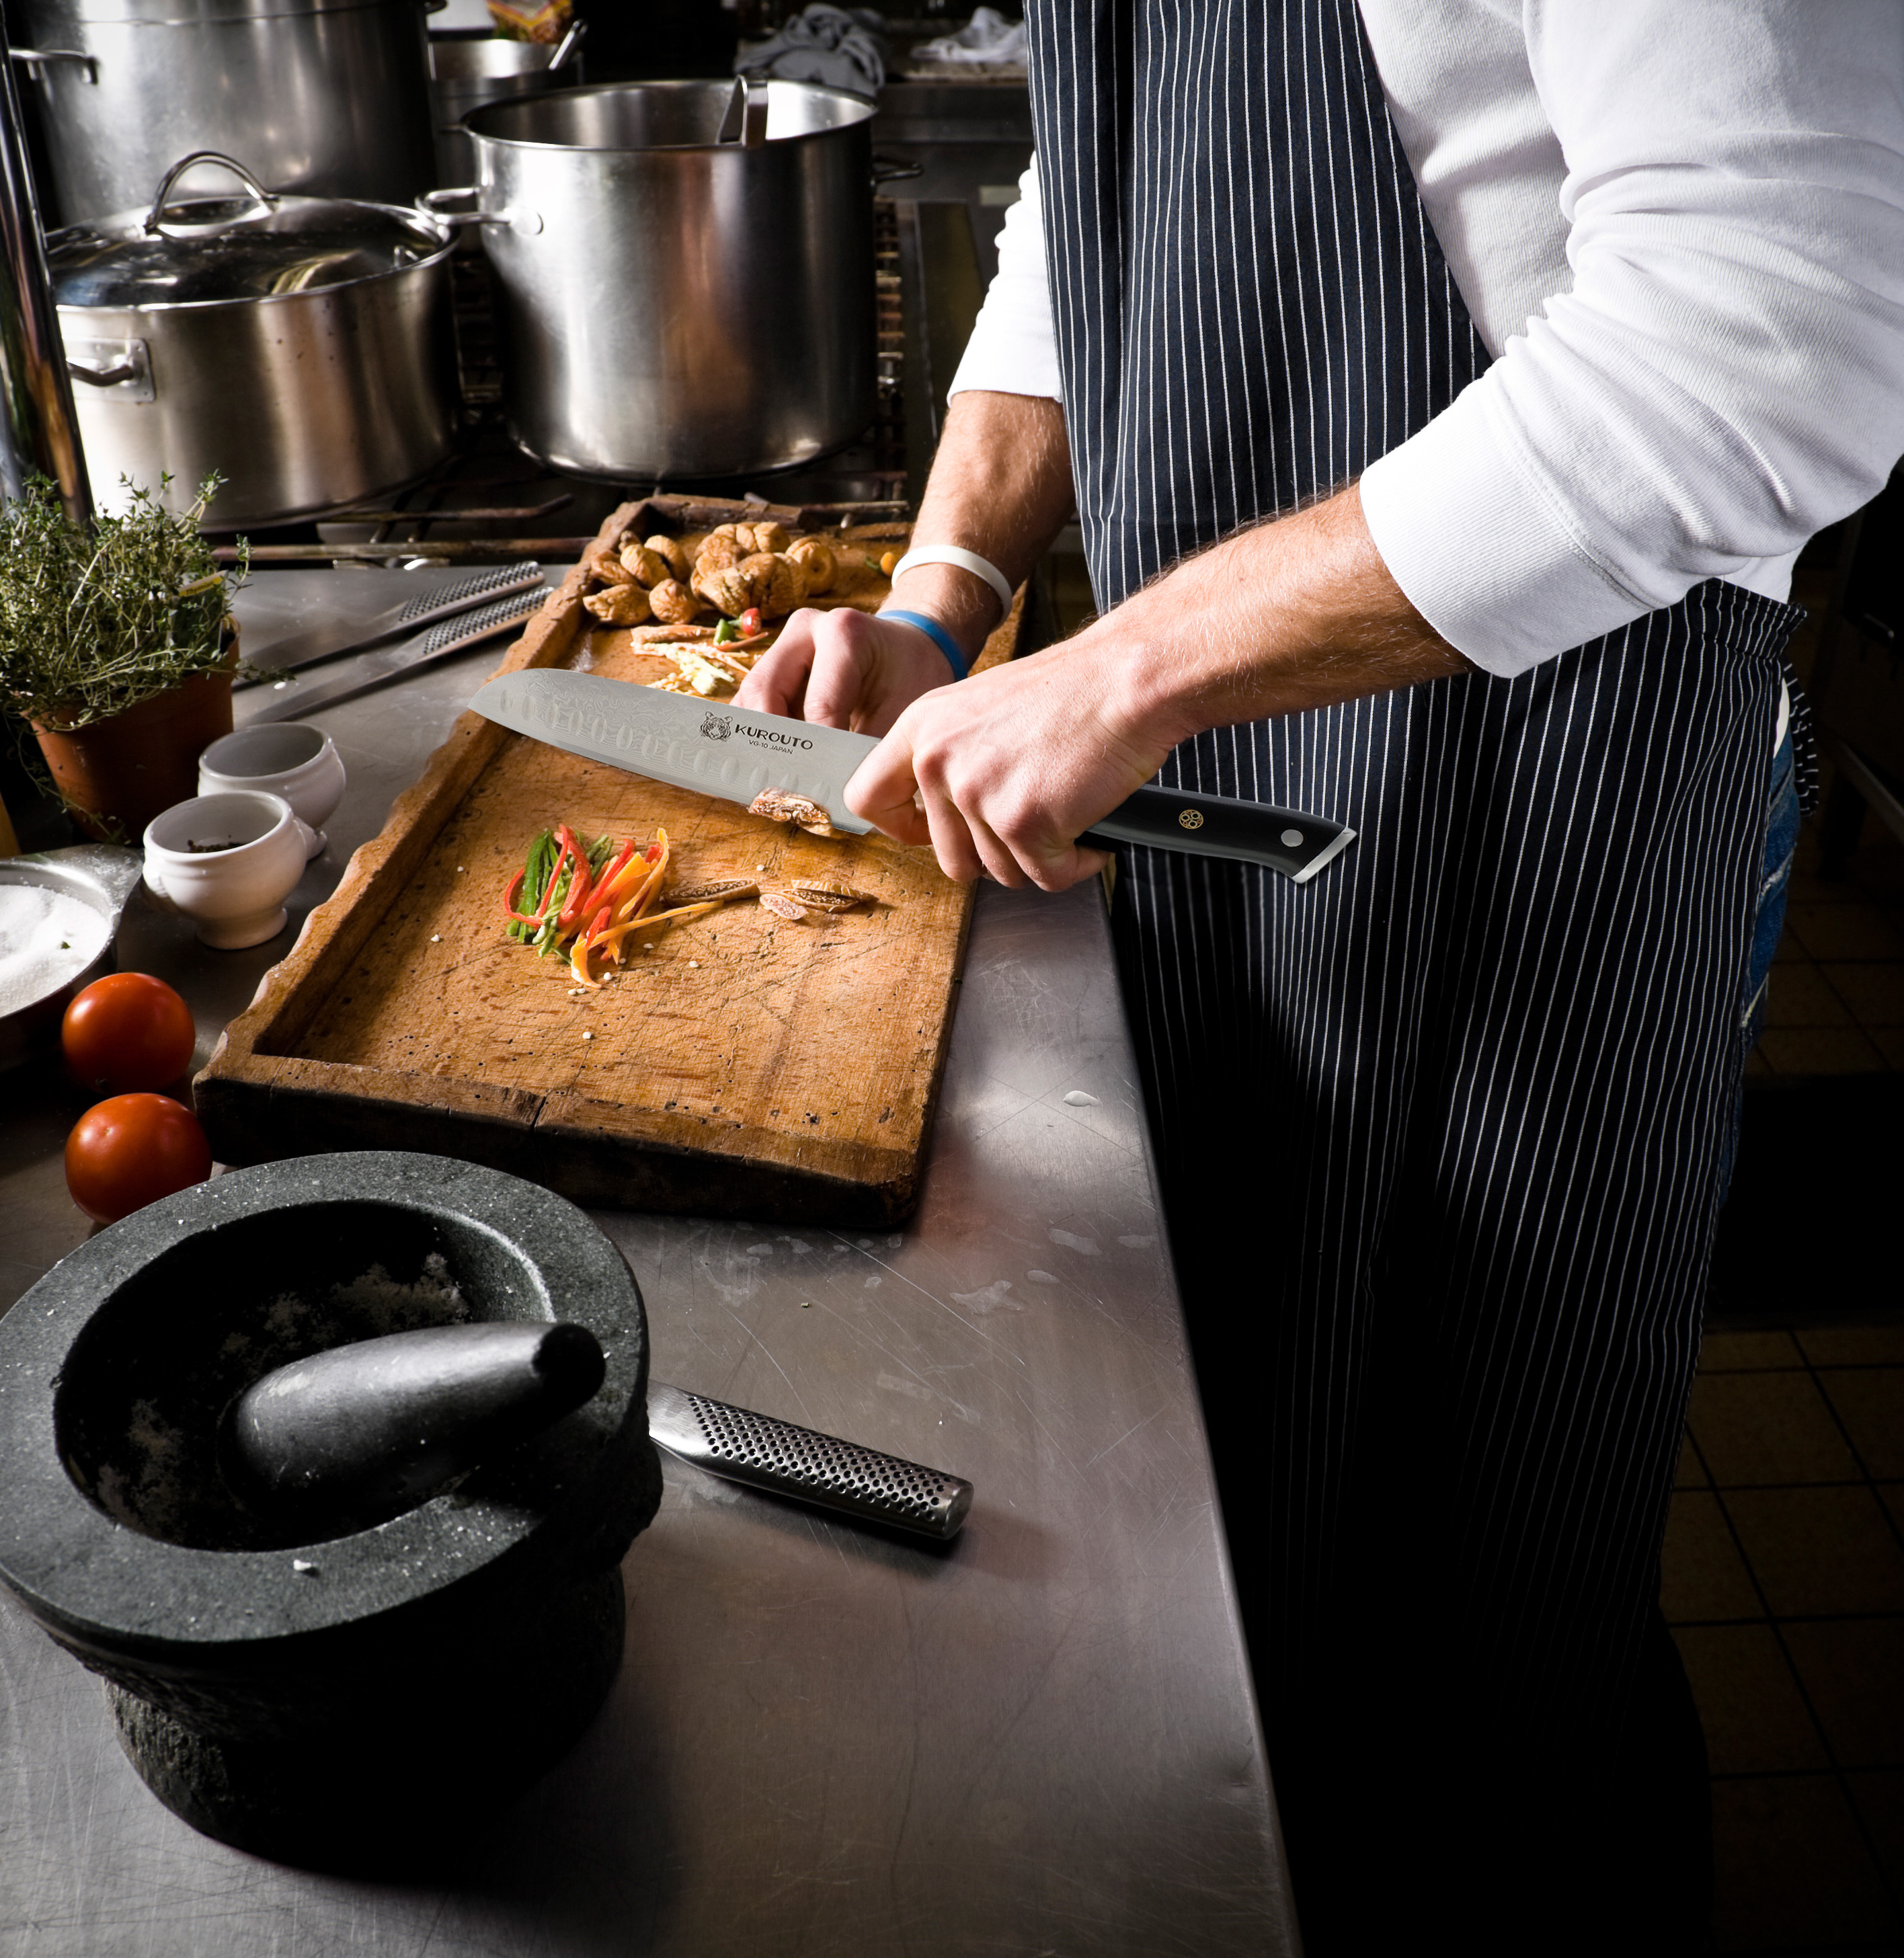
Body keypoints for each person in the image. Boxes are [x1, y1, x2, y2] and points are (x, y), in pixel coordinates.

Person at [739, 3, 1904, 1945]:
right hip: (1226, 727)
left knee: (1489, 1530)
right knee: (1257, 1415)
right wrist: (942, 599)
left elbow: (1772, 334)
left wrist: (1123, 667)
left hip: (1562, 778)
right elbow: (1092, 209)